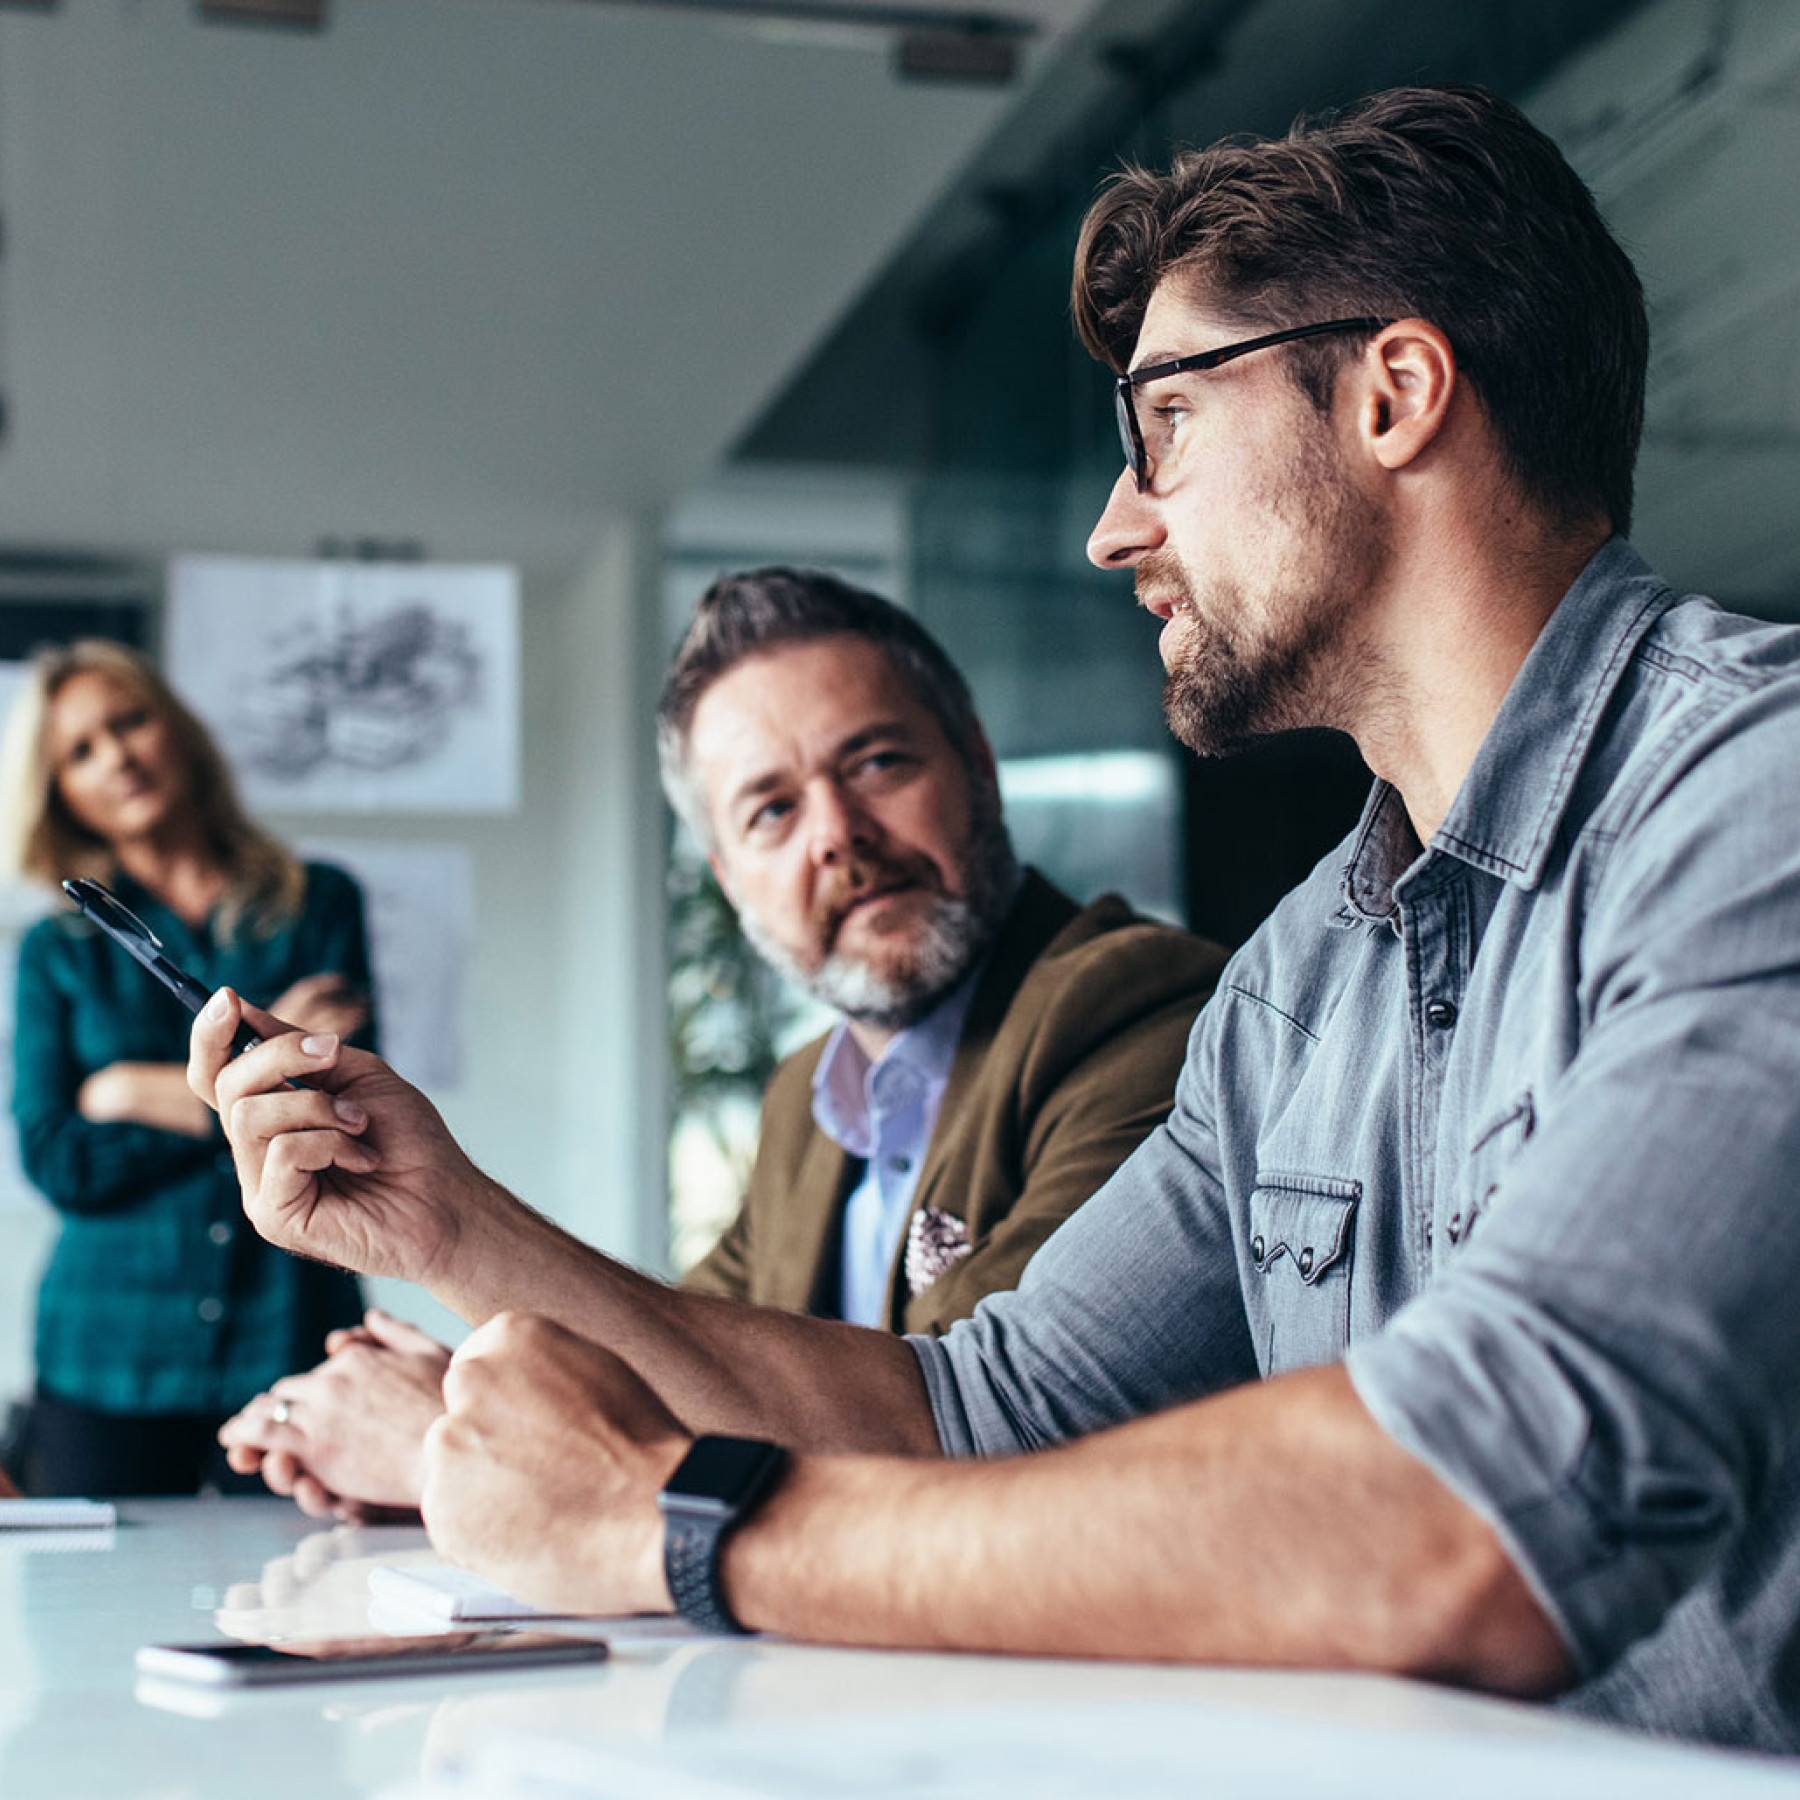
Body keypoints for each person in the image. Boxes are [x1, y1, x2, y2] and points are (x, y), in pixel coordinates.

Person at [186, 84, 1800, 1750]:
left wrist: (680, 1522)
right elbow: (979, 1410)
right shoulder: (1308, 976)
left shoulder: (1755, 804)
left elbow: (1477, 1516)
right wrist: (448, 1224)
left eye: (1165, 423)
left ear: (1393, 392)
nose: (1116, 529)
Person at [213, 569, 1226, 1518]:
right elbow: (682, 1367)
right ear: (729, 876)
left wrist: (450, 1438)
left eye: (876, 763)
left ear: (977, 763)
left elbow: (966, 1437)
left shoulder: (1138, 1009)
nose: (836, 833)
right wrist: (476, 1381)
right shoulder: (808, 1101)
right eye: (772, 810)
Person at [1, 640, 375, 1496]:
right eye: (81, 751)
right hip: (107, 1352)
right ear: (60, 791)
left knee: (302, 1602)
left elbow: (333, 1108)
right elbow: (58, 1157)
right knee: (89, 1620)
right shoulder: (55, 953)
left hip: (288, 1334)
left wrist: (126, 1091)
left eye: (129, 722)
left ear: (177, 732)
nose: (118, 757)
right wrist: (246, 1089)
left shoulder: (318, 903)